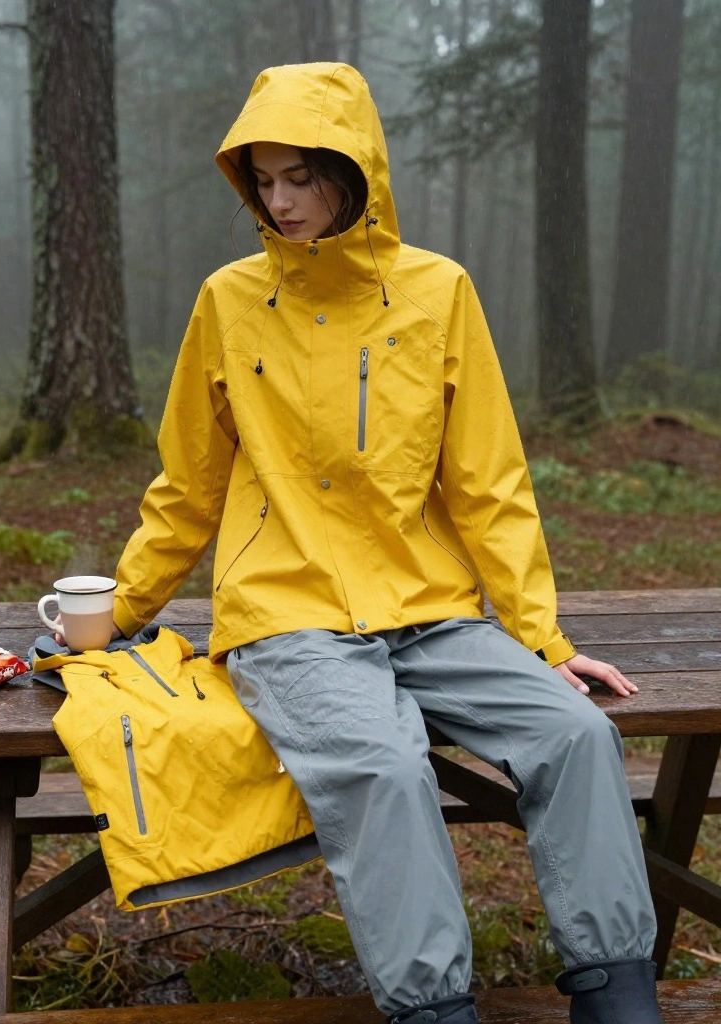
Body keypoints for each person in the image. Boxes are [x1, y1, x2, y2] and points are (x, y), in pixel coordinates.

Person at [111, 63, 664, 1024]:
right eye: (263, 181)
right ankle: (436, 1010)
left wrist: (544, 640)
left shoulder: (438, 292)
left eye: (301, 177)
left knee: (577, 735)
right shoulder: (228, 301)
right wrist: (120, 608)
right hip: (289, 614)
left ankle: (619, 996)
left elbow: (488, 481)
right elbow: (189, 483)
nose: (281, 202)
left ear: (354, 171)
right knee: (388, 768)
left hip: (428, 609)